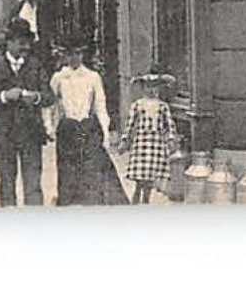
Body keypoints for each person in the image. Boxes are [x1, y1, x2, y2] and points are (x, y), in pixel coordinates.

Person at [0, 17, 53, 206]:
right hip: (4, 135)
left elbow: (49, 96)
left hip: (31, 134)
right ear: (9, 43)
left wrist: (35, 97)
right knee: (7, 184)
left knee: (33, 186)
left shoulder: (36, 65)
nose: (25, 47)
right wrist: (3, 96)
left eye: (27, 43)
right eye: (20, 43)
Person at [50, 44, 126, 206]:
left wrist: (105, 133)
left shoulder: (93, 77)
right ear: (64, 55)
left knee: (91, 170)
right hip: (68, 128)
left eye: (77, 53)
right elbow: (52, 105)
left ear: (82, 54)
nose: (74, 58)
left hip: (87, 127)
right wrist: (50, 127)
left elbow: (100, 105)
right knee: (68, 171)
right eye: (69, 54)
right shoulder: (58, 78)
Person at [119, 65, 180, 205]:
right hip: (141, 143)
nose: (151, 90)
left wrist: (171, 140)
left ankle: (145, 201)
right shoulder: (137, 105)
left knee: (150, 179)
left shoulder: (162, 106)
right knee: (140, 178)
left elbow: (169, 124)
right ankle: (135, 200)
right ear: (143, 88)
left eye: (155, 87)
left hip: (156, 144)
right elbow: (130, 125)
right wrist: (124, 141)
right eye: (148, 87)